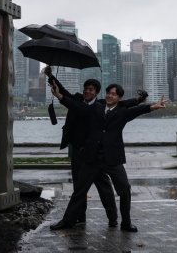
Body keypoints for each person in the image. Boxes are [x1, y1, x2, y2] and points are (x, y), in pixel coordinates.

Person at [49, 82, 166, 232]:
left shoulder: (122, 112)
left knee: (125, 190)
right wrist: (60, 96)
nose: (110, 96)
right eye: (109, 93)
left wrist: (153, 106)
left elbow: (139, 110)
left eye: (114, 94)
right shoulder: (96, 108)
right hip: (92, 158)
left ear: (119, 98)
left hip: (113, 159)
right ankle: (67, 221)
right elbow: (76, 107)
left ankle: (126, 223)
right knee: (79, 191)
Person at [44, 66, 145, 227]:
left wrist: (138, 100)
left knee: (104, 188)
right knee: (79, 187)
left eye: (91, 89)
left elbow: (122, 104)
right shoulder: (77, 99)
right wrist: (51, 77)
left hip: (96, 153)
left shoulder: (100, 104)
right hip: (78, 151)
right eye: (86, 88)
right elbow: (63, 93)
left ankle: (113, 218)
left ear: (97, 93)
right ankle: (79, 217)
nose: (87, 91)